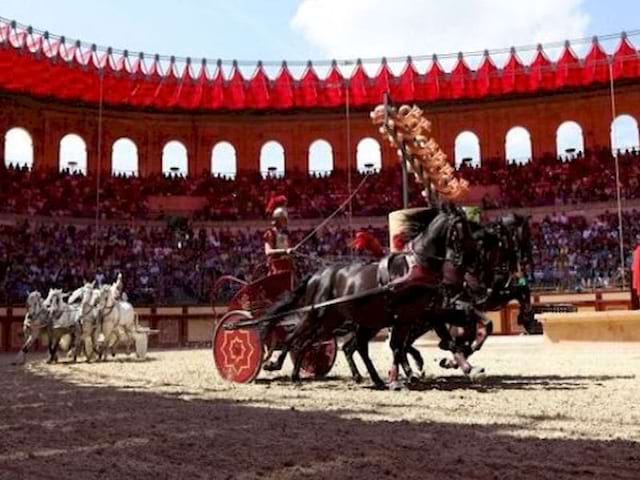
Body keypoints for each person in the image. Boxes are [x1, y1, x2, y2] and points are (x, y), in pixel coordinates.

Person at [264, 195, 294, 277]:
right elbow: (268, 252)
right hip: (275, 268)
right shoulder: (270, 233)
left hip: (287, 267)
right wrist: (285, 251)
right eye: (283, 219)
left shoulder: (286, 233)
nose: (286, 221)